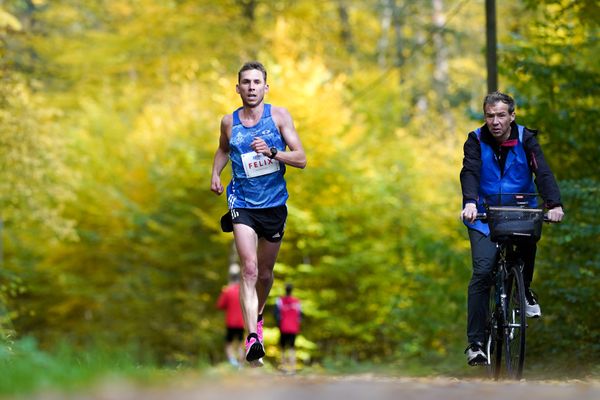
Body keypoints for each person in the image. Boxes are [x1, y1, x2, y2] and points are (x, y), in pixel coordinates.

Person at [210, 61, 307, 366]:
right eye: (245, 83)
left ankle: (259, 317)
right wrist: (215, 173)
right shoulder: (228, 122)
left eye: (256, 82)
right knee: (249, 269)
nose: (251, 88)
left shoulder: (278, 117)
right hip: (242, 204)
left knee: (265, 274)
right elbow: (224, 149)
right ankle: (252, 337)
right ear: (237, 88)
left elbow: (302, 159)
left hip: (274, 205)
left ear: (265, 87)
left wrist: (273, 152)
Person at [460, 91, 564, 366]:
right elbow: (469, 171)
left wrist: (554, 203)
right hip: (483, 214)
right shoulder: (475, 140)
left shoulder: (526, 138)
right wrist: (470, 202)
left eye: (501, 115)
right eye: (490, 115)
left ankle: (524, 287)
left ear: (512, 116)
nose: (495, 121)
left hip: (520, 209)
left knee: (528, 242)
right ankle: (476, 344)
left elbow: (541, 171)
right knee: (482, 272)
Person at [216, 263, 245, 367]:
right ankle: (240, 365)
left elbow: (219, 305)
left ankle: (233, 363)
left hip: (231, 322)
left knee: (228, 344)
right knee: (240, 343)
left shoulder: (227, 290)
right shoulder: (243, 290)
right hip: (241, 322)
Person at [274, 283, 302, 373]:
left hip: (283, 327)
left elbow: (276, 315)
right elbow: (300, 317)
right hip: (293, 328)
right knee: (292, 348)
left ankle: (284, 367)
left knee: (282, 348)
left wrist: (278, 324)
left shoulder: (280, 300)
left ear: (285, 289)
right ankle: (293, 368)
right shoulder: (297, 301)